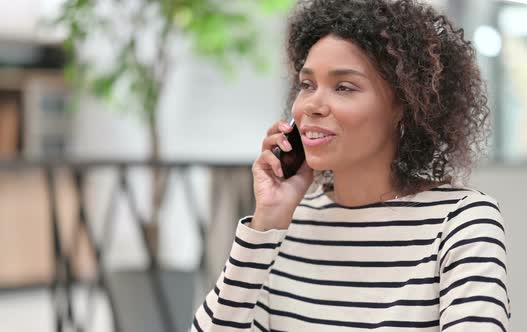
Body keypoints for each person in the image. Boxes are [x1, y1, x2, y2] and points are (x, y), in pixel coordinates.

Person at [191, 0, 510, 331]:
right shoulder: (283, 227)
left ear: (404, 103)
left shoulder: (460, 222)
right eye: (307, 84)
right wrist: (267, 222)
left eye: (343, 87)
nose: (312, 105)